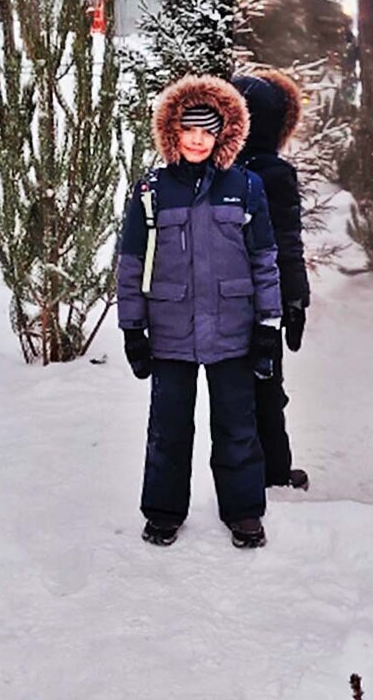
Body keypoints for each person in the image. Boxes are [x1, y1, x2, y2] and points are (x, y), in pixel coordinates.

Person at [117, 75, 283, 549]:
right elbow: (130, 264)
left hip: (233, 330)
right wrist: (133, 329)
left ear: (223, 135)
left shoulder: (245, 187)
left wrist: (268, 325)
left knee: (237, 427)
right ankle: (164, 510)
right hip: (170, 331)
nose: (196, 139)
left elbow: (264, 258)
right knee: (169, 429)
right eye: (188, 129)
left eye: (207, 131)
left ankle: (244, 511)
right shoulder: (151, 190)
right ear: (172, 131)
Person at [231, 71, 312, 492]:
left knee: (240, 393)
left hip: (223, 298)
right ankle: (274, 473)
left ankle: (250, 471)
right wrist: (295, 298)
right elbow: (287, 242)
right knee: (266, 388)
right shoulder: (276, 174)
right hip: (262, 301)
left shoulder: (212, 166)